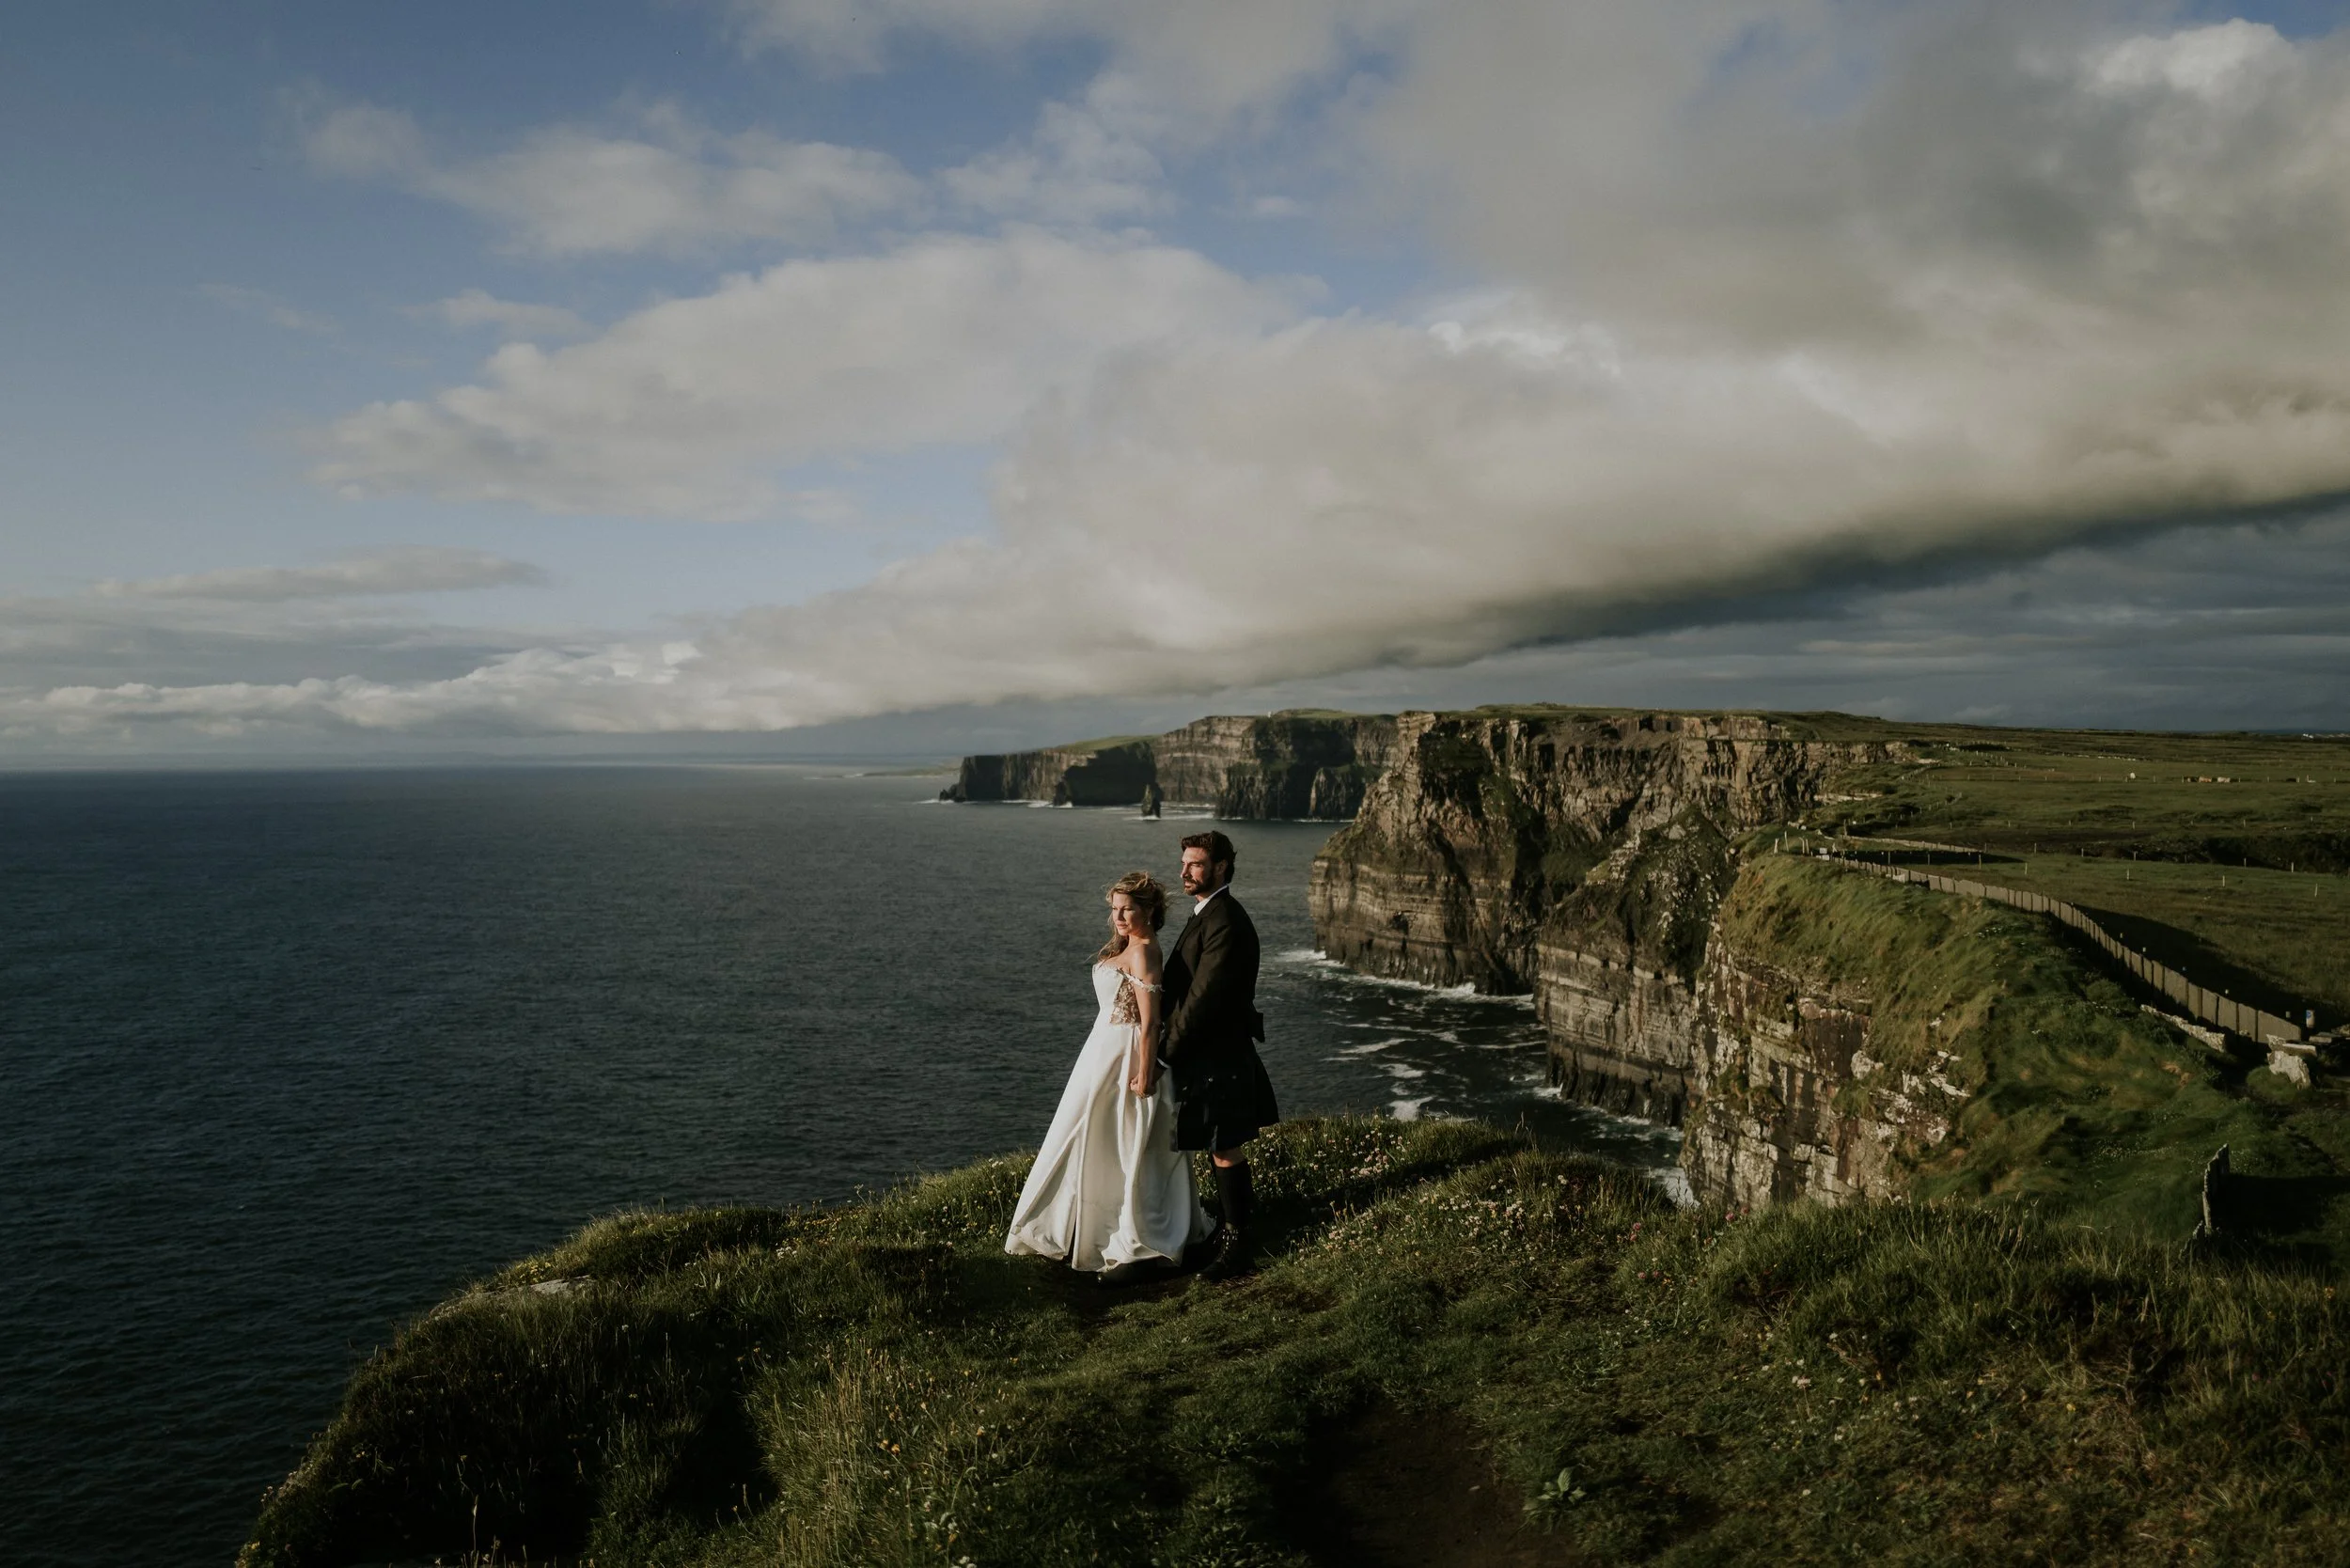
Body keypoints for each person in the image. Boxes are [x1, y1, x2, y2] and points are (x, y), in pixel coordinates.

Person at [1004, 871, 1213, 1285]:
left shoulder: (1146, 952)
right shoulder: (1126, 947)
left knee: (1128, 1144)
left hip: (1127, 1058)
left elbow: (1151, 1023)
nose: (1117, 916)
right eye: (1114, 909)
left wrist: (1145, 1070)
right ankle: (1089, 1227)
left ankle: (1137, 1240)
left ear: (1149, 911)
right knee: (1088, 1138)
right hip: (1100, 1053)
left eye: (1127, 909)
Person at [1161, 830, 1281, 1280]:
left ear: (1221, 867)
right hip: (1211, 1054)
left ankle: (1238, 1245)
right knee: (1217, 1145)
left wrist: (1164, 1053)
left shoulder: (1226, 920)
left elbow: (1203, 999)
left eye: (1194, 864)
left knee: (1225, 1146)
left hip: (1220, 1055)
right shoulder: (1209, 914)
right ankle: (1228, 1235)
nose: (1184, 872)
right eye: (1185, 864)